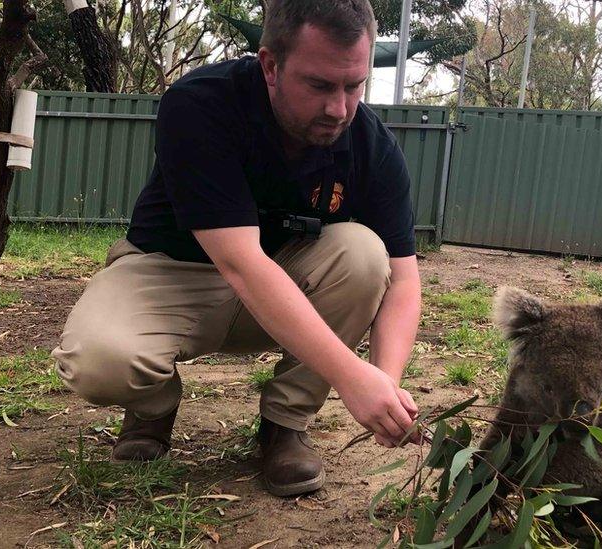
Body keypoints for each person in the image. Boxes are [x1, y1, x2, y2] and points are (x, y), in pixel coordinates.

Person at [51, 0, 422, 498]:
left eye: (354, 86)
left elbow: (403, 278)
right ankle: (152, 407)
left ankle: (285, 424)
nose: (339, 108)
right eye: (319, 85)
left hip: (284, 278)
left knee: (364, 253)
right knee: (98, 361)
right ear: (271, 65)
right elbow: (241, 262)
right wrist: (353, 378)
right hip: (172, 271)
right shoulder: (202, 104)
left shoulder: (372, 145)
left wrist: (386, 385)